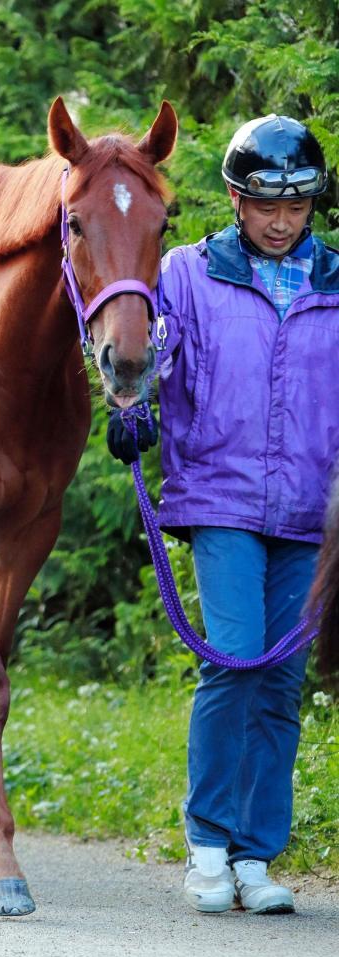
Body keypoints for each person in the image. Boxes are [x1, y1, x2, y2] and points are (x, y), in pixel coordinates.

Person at [107, 114, 338, 914]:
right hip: (224, 499)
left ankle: (255, 856)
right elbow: (147, 353)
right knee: (233, 660)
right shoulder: (187, 272)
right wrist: (131, 402)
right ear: (236, 200)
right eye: (266, 205)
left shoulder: (336, 281)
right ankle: (207, 843)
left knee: (280, 683)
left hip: (314, 512)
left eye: (297, 207)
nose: (281, 222)